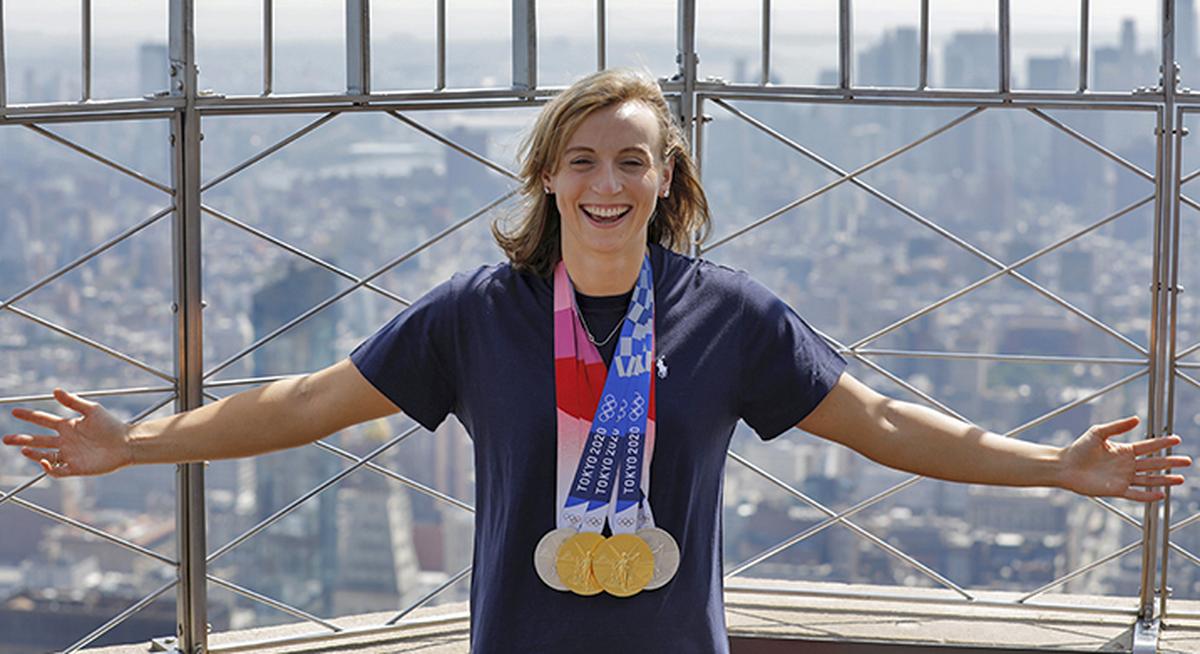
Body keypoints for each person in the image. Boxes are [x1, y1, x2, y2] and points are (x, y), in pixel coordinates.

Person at [2, 69, 1192, 653]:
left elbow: (877, 423)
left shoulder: (731, 316)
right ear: (547, 179)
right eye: (581, 160)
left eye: (632, 160)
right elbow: (308, 402)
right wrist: (135, 442)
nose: (607, 183)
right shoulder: (476, 314)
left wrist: (1057, 468)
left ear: (669, 177)